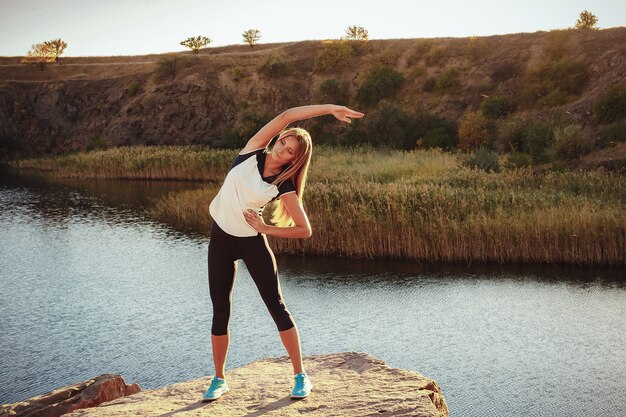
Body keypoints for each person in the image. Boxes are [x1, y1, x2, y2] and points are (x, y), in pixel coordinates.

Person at [202, 104, 364, 402]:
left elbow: (305, 229)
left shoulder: (283, 184)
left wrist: (266, 228)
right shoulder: (251, 152)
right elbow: (287, 116)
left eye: (289, 150)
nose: (281, 149)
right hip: (220, 239)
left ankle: (301, 376)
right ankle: (219, 380)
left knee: (276, 307)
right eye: (283, 142)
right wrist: (330, 108)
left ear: (295, 159)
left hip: (252, 242)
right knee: (220, 311)